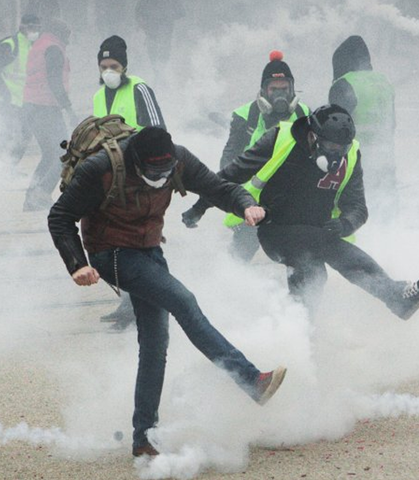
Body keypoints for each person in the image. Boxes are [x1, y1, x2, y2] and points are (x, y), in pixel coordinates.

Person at [47, 126, 287, 457]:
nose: (161, 178)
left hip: (148, 251)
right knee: (184, 301)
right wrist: (77, 264)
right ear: (135, 161)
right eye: (153, 172)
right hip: (111, 254)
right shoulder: (101, 169)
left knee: (155, 345)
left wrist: (245, 204)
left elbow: (219, 188)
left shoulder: (179, 160)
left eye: (166, 171)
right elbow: (60, 216)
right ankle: (250, 380)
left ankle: (144, 438)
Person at [184, 104, 419, 318]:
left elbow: (358, 207)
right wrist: (199, 206)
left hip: (318, 231)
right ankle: (393, 296)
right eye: (331, 147)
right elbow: (231, 174)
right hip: (275, 228)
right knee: (320, 259)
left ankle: (298, 336)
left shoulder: (352, 155)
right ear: (313, 136)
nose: (337, 154)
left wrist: (345, 224)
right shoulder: (280, 139)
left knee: (322, 270)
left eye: (342, 148)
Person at [183, 50, 310, 262]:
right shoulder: (245, 115)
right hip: (253, 200)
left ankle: (297, 294)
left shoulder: (304, 114)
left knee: (299, 256)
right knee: (241, 252)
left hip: (290, 199)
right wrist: (206, 203)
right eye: (274, 89)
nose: (280, 95)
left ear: (292, 89)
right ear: (263, 90)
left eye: (284, 89)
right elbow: (229, 163)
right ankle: (232, 286)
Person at [94, 34, 167, 330]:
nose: (108, 71)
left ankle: (149, 303)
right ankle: (130, 303)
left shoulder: (140, 89)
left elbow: (158, 130)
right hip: (114, 179)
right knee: (119, 240)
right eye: (103, 65)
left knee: (142, 239)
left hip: (141, 177)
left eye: (113, 65)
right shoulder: (99, 96)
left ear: (124, 66)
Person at [328, 35, 396, 221]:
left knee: (355, 213)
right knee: (386, 209)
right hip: (386, 157)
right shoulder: (384, 82)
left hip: (355, 161)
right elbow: (393, 124)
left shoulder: (344, 84)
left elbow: (334, 130)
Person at [22, 19, 75, 212]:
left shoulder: (40, 45)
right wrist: (68, 108)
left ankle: (31, 198)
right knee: (64, 153)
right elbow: (54, 81)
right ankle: (42, 193)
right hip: (46, 107)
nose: (68, 41)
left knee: (48, 154)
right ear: (61, 33)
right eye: (67, 36)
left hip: (31, 107)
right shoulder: (53, 48)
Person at [0, 14, 40, 173]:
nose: (34, 31)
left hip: (26, 102)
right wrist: (5, 93)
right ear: (22, 26)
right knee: (7, 136)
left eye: (37, 28)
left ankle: (8, 169)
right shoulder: (9, 45)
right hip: (7, 101)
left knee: (23, 137)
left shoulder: (34, 46)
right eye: (31, 27)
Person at [134, 0, 185, 84]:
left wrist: (173, 16)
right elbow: (139, 10)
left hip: (164, 24)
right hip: (152, 25)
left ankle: (161, 72)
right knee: (154, 48)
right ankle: (158, 72)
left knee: (163, 47)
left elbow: (181, 12)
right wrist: (140, 21)